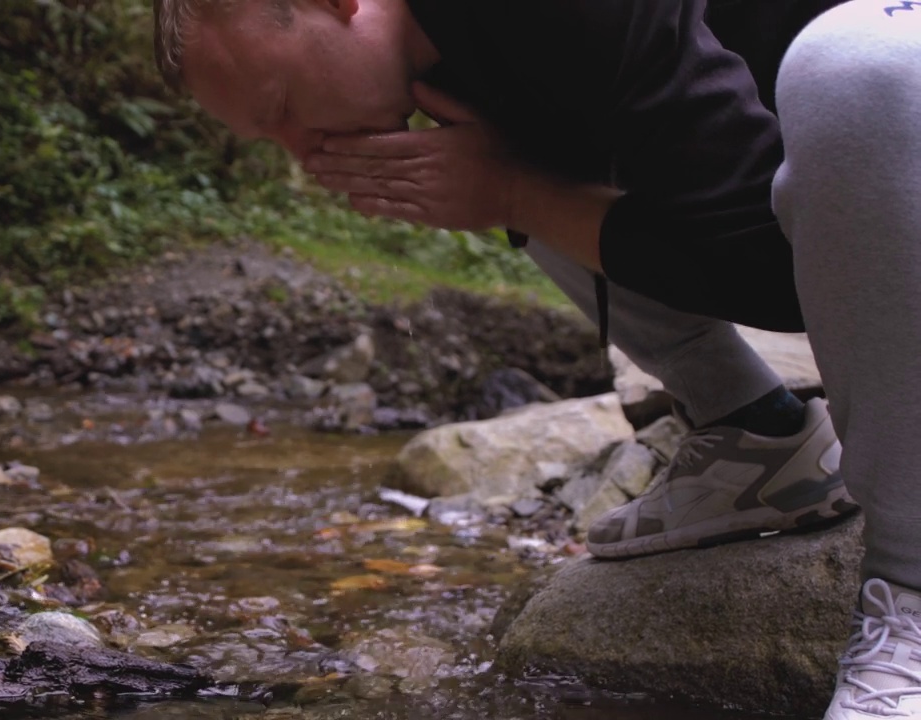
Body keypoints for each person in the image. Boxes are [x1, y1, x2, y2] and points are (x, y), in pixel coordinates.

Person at [151, 0, 921, 717]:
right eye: (272, 139)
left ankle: (909, 589)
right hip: (810, 163)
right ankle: (759, 436)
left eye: (284, 109)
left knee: (858, 66)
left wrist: (516, 192)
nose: (303, 154)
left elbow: (779, 276)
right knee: (505, 157)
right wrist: (506, 181)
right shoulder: (449, 61)